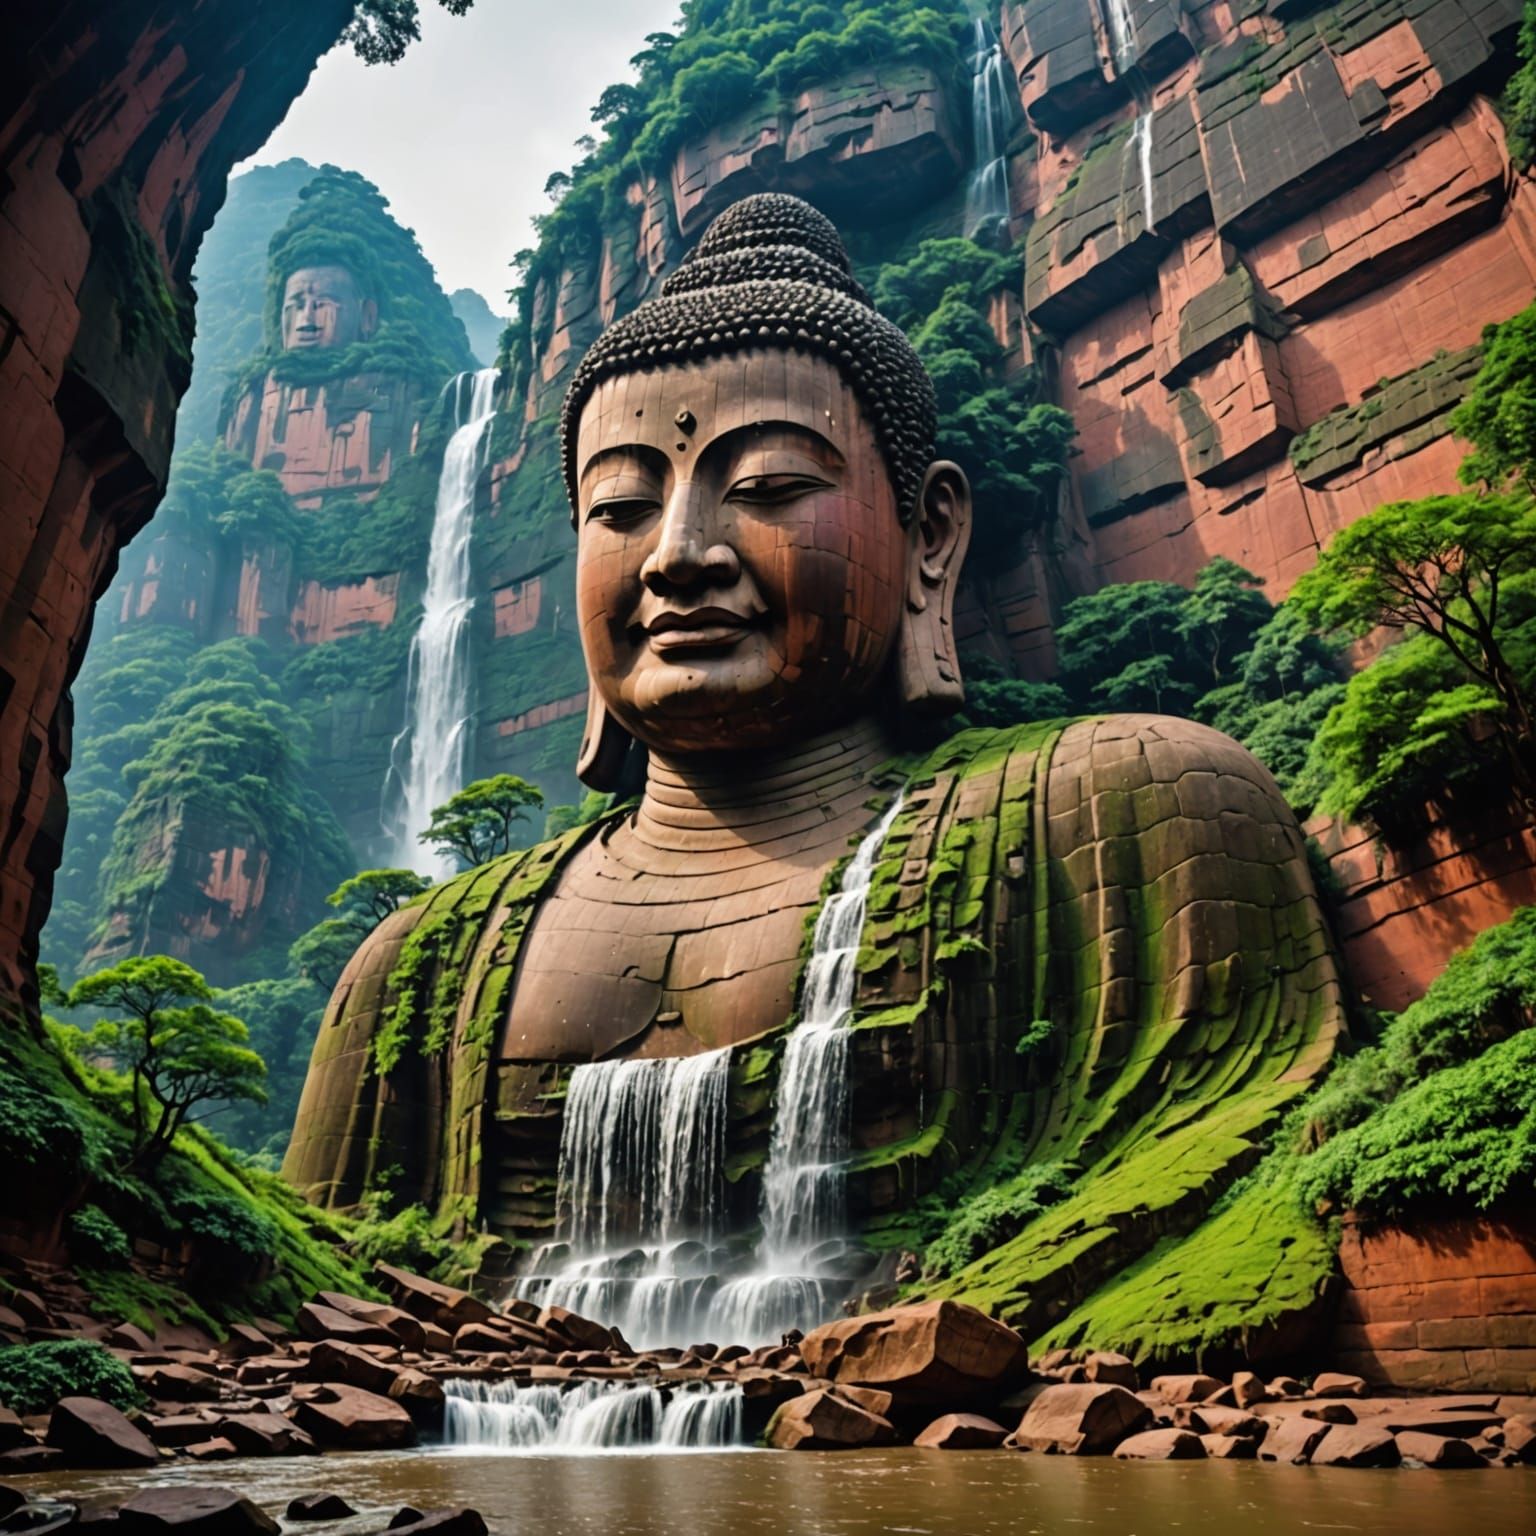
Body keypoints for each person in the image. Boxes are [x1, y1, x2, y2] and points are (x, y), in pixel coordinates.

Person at [283, 196, 1342, 1319]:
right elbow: (309, 1293)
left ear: (930, 536)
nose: (679, 556)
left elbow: (1231, 1143)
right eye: (622, 507)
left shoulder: (1133, 805)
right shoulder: (419, 963)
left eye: (771, 488)